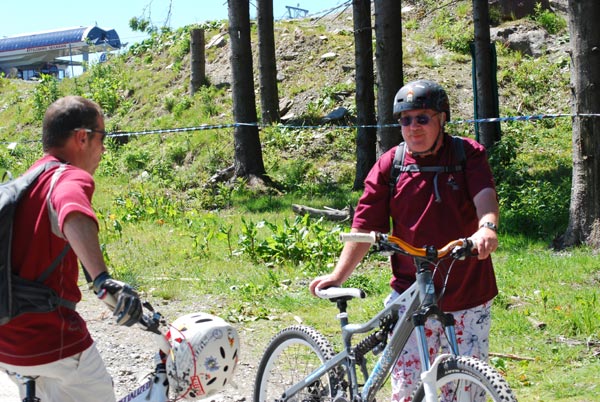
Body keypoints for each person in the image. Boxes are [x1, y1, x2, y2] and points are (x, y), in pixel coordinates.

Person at [309, 80, 499, 401]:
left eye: (422, 118)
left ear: (442, 118)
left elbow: (485, 195)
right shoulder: (391, 165)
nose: (412, 127)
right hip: (411, 292)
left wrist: (487, 228)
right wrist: (338, 276)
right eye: (405, 119)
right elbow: (365, 226)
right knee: (408, 388)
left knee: (467, 391)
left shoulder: (467, 155)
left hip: (469, 293)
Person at [0, 96, 143, 402]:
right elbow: (71, 211)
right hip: (50, 341)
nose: (103, 149)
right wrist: (101, 279)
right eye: (102, 137)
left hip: (5, 343)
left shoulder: (27, 181)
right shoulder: (67, 177)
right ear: (82, 137)